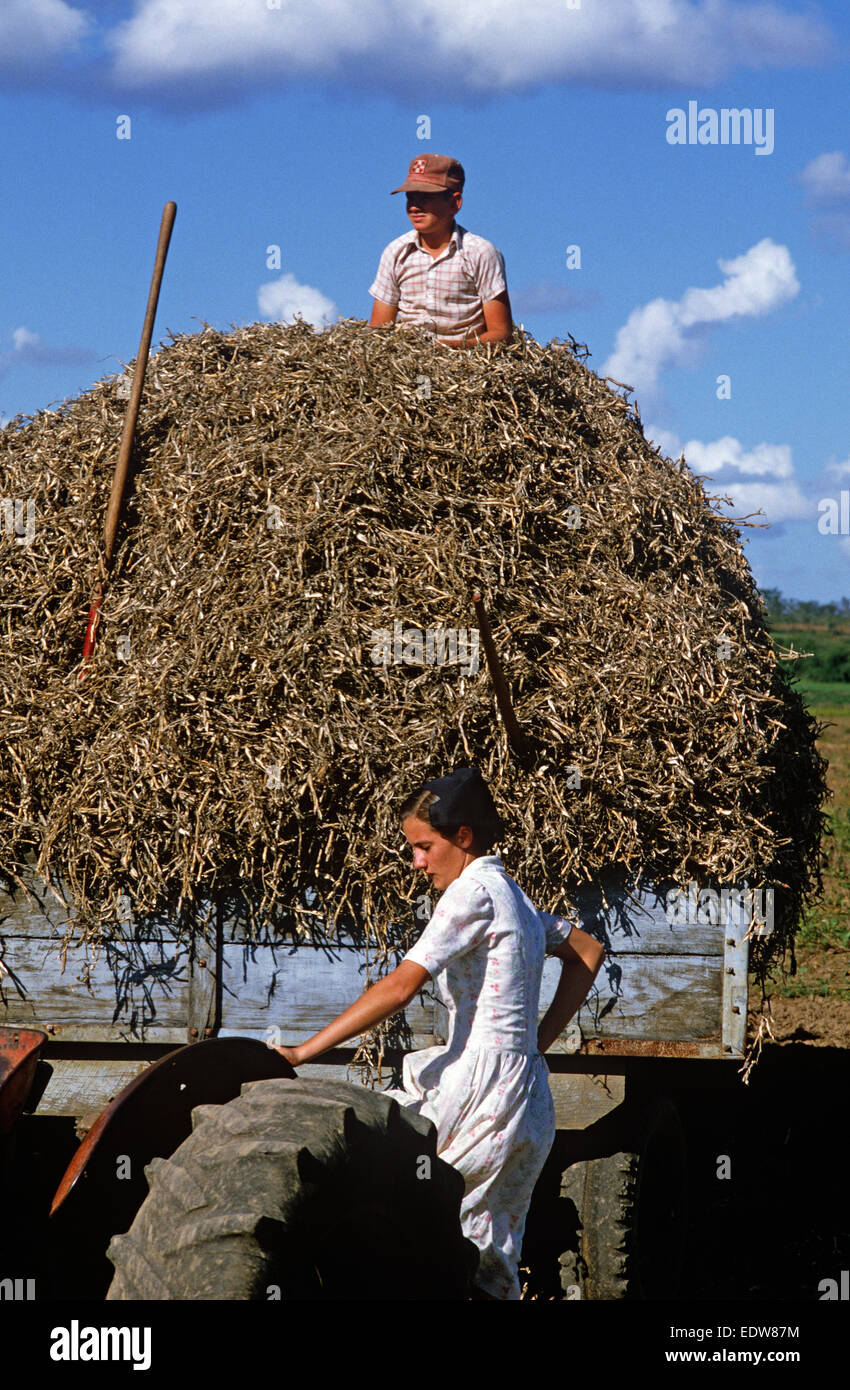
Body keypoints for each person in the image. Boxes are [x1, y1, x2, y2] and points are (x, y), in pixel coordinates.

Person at [273, 764, 606, 1301]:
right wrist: (534, 1046)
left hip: (478, 1095)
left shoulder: (470, 893)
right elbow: (588, 952)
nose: (417, 862)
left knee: (408, 1228)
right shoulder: (514, 897)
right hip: (527, 1098)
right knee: (490, 1255)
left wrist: (302, 1050)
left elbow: (402, 986)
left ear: (464, 837)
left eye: (424, 846)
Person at [368, 153, 514, 350]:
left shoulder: (480, 253)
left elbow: (501, 333)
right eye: (410, 198)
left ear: (455, 203)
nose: (414, 207)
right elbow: (378, 330)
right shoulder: (395, 252)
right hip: (404, 363)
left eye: (425, 198)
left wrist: (450, 348)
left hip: (468, 366)